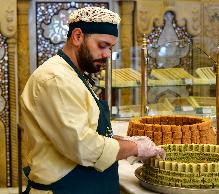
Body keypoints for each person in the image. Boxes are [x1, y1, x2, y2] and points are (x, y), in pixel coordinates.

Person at [20, 7, 165, 194]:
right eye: (102, 45)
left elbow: (88, 129)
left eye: (111, 48)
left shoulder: (75, 75)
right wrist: (135, 147)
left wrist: (125, 140)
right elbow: (84, 146)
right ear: (78, 36)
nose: (107, 55)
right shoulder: (55, 79)